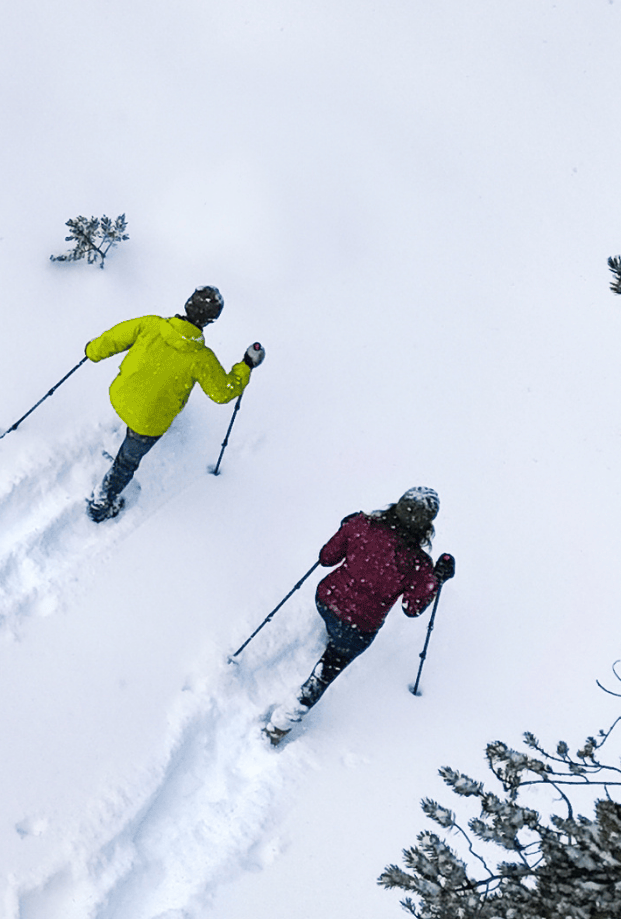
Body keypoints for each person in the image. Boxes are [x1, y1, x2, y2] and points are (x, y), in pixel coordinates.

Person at [271, 487, 456, 742]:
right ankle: (281, 725)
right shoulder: (418, 563)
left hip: (327, 598)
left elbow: (326, 558)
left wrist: (345, 527)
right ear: (427, 524)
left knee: (336, 628)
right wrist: (437, 578)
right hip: (358, 627)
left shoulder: (361, 524)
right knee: (327, 671)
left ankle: (332, 634)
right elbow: (412, 609)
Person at [81, 286, 264, 522]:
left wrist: (92, 351)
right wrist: (246, 365)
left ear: (188, 303)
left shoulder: (151, 324)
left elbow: (112, 339)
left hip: (121, 395)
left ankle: (126, 435)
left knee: (136, 412)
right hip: (148, 421)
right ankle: (101, 504)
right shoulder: (201, 357)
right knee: (127, 461)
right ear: (210, 320)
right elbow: (223, 393)